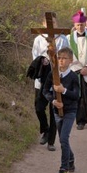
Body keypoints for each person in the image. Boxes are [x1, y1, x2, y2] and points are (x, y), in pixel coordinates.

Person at [31, 13, 68, 151]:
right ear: (43, 24)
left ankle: (51, 141)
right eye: (47, 22)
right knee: (39, 107)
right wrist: (42, 60)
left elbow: (66, 54)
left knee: (54, 109)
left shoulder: (62, 38)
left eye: (52, 22)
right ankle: (45, 129)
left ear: (56, 23)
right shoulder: (38, 39)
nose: (50, 25)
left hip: (56, 76)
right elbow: (34, 56)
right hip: (42, 77)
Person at [42, 47, 80, 173]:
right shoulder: (53, 74)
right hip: (57, 111)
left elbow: (76, 95)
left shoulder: (74, 76)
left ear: (71, 60)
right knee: (63, 139)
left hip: (70, 110)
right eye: (59, 58)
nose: (61, 61)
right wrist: (53, 101)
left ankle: (64, 169)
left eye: (64, 58)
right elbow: (45, 91)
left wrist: (63, 91)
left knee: (64, 138)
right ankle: (71, 159)